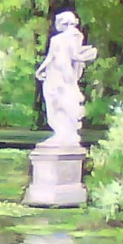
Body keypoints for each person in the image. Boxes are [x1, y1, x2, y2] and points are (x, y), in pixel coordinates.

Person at [35, 11, 97, 146]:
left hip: (60, 73)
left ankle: (65, 134)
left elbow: (56, 57)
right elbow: (71, 56)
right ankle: (63, 134)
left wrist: (40, 70)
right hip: (60, 73)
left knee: (60, 102)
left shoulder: (67, 38)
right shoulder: (72, 37)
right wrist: (88, 54)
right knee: (59, 102)